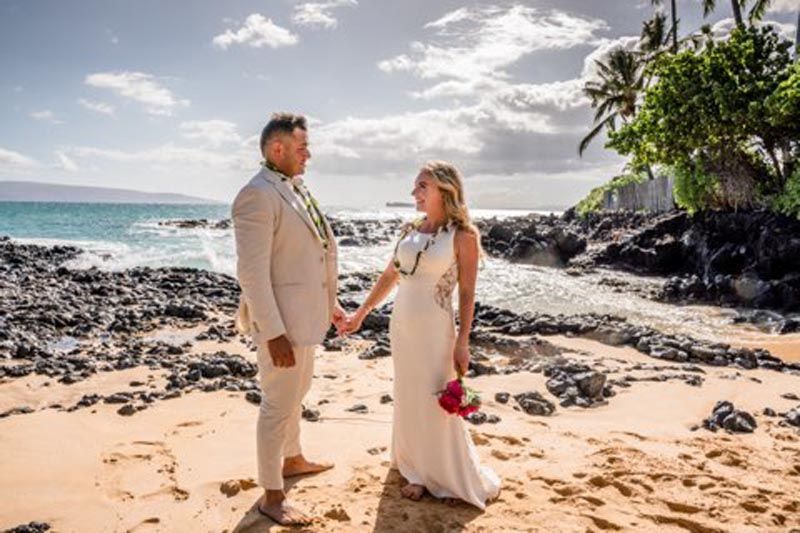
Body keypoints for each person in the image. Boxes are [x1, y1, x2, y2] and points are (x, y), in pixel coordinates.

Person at [342, 161, 500, 509]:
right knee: (409, 394)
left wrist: (463, 341)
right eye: (415, 186)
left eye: (422, 186)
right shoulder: (410, 230)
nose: (414, 193)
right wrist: (361, 314)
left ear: (445, 190)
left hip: (435, 329)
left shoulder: (463, 236)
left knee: (434, 398)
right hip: (402, 325)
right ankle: (414, 469)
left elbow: (467, 293)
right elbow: (390, 276)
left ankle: (442, 474)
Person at [232, 112, 345, 526]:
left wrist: (330, 303)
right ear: (277, 149)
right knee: (277, 404)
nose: (308, 155)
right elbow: (252, 274)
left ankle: (293, 459)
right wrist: (273, 332)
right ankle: (272, 495)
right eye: (302, 147)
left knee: (297, 393)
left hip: (305, 317)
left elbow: (311, 254)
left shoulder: (294, 188)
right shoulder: (256, 195)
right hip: (280, 324)